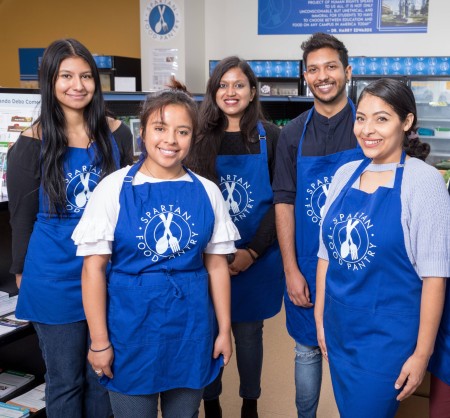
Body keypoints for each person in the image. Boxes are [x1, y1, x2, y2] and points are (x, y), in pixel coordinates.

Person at [72, 80, 239, 418]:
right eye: (160, 128)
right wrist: (100, 341)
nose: (170, 141)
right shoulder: (113, 188)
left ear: (193, 137)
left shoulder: (207, 191)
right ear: (143, 132)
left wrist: (224, 331)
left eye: (182, 132)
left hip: (191, 329)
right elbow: (93, 269)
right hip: (130, 331)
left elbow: (217, 267)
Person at [6, 38, 133, 417]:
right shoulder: (29, 144)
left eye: (85, 76)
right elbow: (21, 217)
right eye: (66, 76)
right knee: (64, 381)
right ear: (49, 81)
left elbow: (128, 202)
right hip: (53, 276)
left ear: (96, 81)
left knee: (103, 376)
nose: (77, 85)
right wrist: (21, 271)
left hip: (108, 272)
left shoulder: (117, 133)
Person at [315, 78, 450, 418]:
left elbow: (435, 275)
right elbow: (325, 253)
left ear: (406, 122)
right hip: (339, 326)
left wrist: (422, 353)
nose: (367, 129)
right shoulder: (345, 173)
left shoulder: (424, 181)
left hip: (386, 338)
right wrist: (320, 317)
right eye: (361, 118)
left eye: (382, 118)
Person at [185, 56, 284, 418]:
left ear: (252, 91)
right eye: (223, 85)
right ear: (213, 91)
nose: (231, 92)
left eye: (239, 84)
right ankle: (212, 404)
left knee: (248, 333)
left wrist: (253, 251)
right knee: (210, 329)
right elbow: (192, 200)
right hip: (210, 258)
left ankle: (250, 404)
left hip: (257, 253)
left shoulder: (271, 136)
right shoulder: (197, 136)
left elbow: (280, 201)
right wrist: (218, 256)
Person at [272, 33, 363, 417]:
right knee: (307, 349)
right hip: (308, 263)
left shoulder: (368, 126)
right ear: (304, 76)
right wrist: (291, 269)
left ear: (347, 71)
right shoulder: (292, 134)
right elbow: (284, 203)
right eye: (313, 69)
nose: (322, 76)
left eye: (330, 67)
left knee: (355, 350)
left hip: (359, 260)